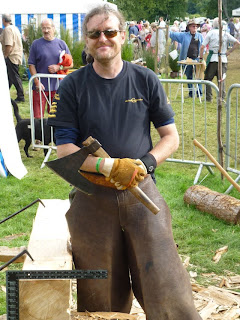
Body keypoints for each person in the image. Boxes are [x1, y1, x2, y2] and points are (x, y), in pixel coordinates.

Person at [48, 5, 202, 320]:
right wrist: (107, 167)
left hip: (141, 192)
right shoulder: (72, 86)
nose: (102, 38)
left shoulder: (146, 79)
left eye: (109, 31)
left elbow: (170, 137)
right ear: (87, 40)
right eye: (94, 33)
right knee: (100, 295)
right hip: (91, 197)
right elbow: (64, 148)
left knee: (166, 285)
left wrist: (144, 163)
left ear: (122, 34)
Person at [28, 18, 73, 119]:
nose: (46, 30)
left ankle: (53, 135)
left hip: (57, 87)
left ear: (53, 28)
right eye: (44, 28)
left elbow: (71, 64)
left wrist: (59, 67)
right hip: (40, 87)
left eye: (48, 28)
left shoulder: (62, 44)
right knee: (37, 117)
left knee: (56, 117)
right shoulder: (36, 44)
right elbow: (31, 64)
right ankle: (39, 135)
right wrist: (36, 82)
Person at [199, 17, 240, 102]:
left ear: (213, 24)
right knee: (221, 80)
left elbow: (202, 47)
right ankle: (221, 98)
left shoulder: (211, 33)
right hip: (223, 59)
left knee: (208, 79)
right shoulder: (225, 33)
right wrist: (229, 52)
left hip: (213, 59)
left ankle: (208, 98)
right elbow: (237, 43)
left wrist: (201, 58)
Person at [169, 19, 203, 98]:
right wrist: (165, 28)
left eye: (196, 26)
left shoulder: (200, 36)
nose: (195, 28)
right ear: (189, 27)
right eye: (193, 26)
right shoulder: (184, 35)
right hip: (186, 59)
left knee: (198, 76)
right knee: (189, 76)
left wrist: (201, 56)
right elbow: (172, 34)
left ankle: (199, 93)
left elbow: (202, 47)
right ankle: (191, 93)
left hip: (197, 59)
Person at [0, 14, 25, 102]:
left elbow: (8, 45)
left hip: (11, 56)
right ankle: (4, 93)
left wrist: (5, 55)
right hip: (16, 54)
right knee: (10, 77)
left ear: (3, 20)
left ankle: (21, 96)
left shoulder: (7, 29)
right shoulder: (14, 28)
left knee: (14, 76)